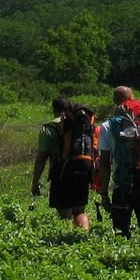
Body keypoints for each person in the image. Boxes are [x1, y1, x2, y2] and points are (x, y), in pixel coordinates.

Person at [99, 85, 140, 252]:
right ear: (132, 98)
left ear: (115, 103)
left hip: (123, 185)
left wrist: (104, 193)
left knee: (121, 231)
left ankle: (125, 267)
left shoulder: (108, 126)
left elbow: (104, 163)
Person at [31, 96, 93, 231]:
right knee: (80, 211)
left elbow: (42, 158)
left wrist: (35, 182)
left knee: (65, 213)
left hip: (61, 174)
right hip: (82, 170)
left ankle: (68, 241)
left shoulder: (49, 128)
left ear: (54, 109)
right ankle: (86, 237)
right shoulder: (79, 124)